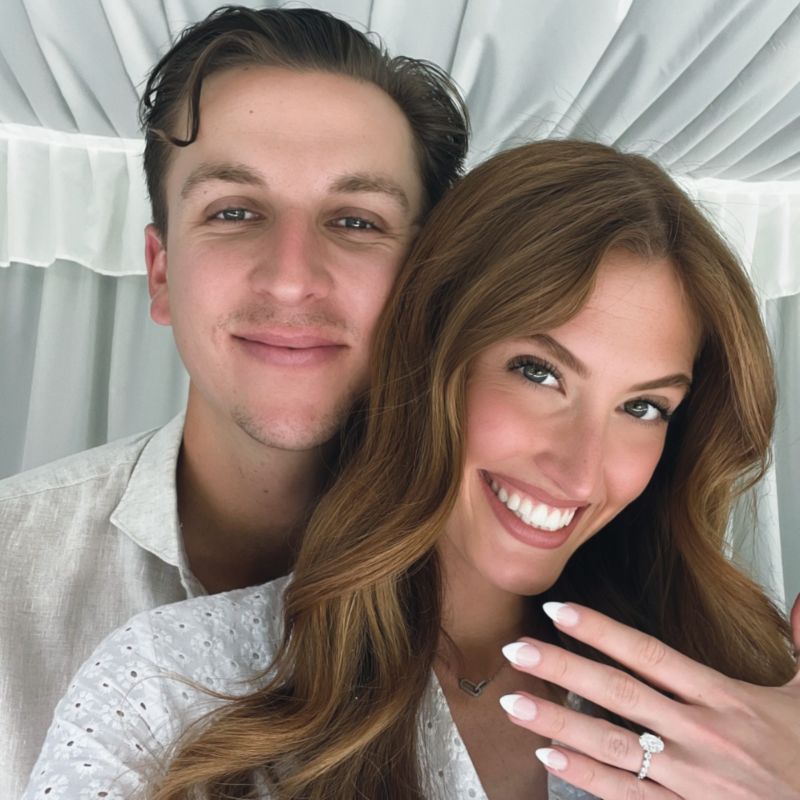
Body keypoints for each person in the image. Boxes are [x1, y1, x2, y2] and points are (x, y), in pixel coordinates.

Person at [23, 141, 800, 800]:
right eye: (538, 372)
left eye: (643, 407)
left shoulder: (747, 697)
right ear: (430, 352)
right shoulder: (169, 687)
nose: (578, 469)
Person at [0, 6, 469, 797]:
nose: (291, 278)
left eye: (356, 221)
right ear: (160, 273)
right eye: (235, 212)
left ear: (423, 280)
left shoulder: (508, 596)